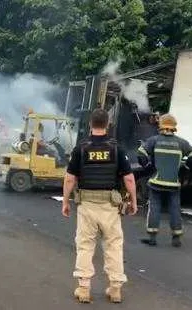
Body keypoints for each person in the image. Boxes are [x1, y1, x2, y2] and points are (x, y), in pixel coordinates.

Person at [62, 108, 138, 304]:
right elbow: (129, 178)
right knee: (113, 245)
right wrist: (134, 202)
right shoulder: (117, 149)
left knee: (85, 245)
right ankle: (115, 289)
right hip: (110, 206)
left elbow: (70, 178)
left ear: (90, 124)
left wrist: (65, 201)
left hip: (87, 204)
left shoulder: (81, 148)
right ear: (108, 124)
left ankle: (84, 288)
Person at [137, 113, 192, 247]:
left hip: (156, 182)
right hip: (174, 183)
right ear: (174, 127)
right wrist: (187, 169)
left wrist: (147, 166)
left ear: (161, 126)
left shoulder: (154, 140)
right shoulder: (182, 142)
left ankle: (152, 237)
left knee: (154, 207)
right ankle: (176, 238)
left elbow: (141, 152)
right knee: (175, 209)